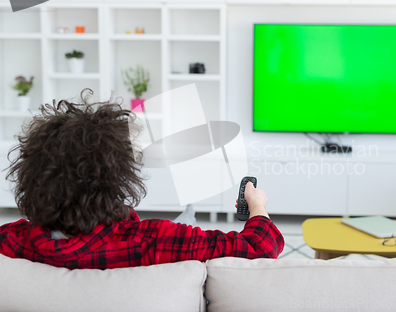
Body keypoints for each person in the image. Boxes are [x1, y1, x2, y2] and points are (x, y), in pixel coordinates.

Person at [0, 91, 284, 269]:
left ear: (32, 178)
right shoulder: (155, 240)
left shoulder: (11, 240)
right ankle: (189, 217)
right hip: (155, 235)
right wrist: (257, 204)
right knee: (186, 225)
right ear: (118, 177)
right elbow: (261, 247)